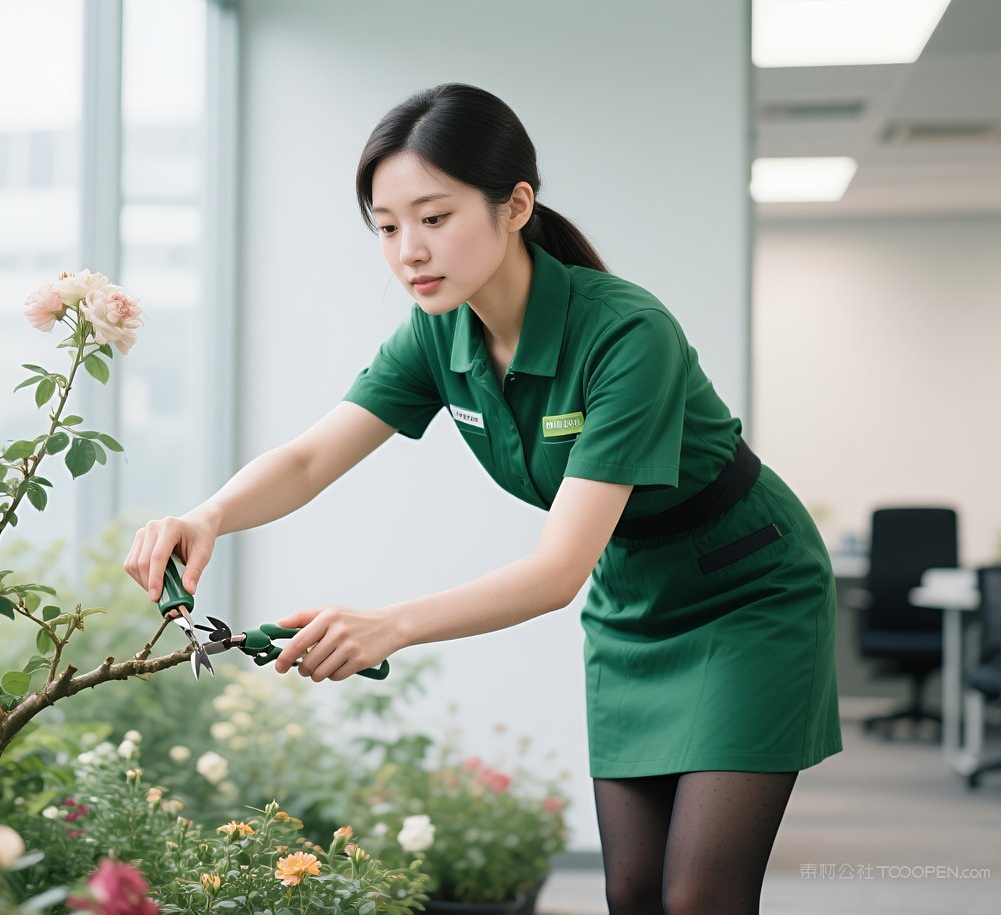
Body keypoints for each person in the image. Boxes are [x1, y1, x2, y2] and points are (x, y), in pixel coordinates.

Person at [125, 82, 842, 915]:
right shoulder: (441, 331)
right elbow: (311, 456)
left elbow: (554, 571)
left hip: (747, 592)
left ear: (515, 205)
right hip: (634, 595)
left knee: (697, 897)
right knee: (634, 891)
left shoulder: (626, 334)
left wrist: (388, 625)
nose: (409, 251)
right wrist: (206, 513)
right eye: (387, 227)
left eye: (434, 218)